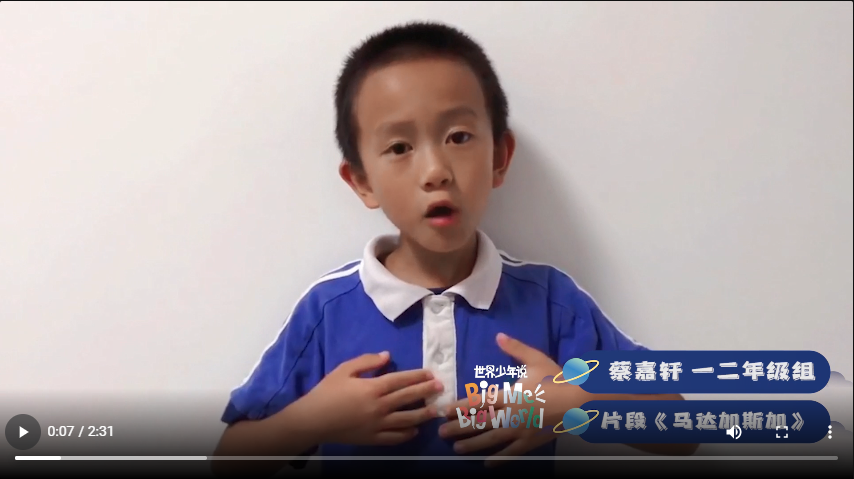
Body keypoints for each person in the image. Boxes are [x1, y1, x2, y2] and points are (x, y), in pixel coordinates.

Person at [212, 21, 695, 477]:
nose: (435, 171)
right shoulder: (327, 311)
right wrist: (312, 421)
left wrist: (572, 405)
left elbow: (680, 429)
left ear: (499, 157)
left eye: (458, 137)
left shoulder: (552, 303)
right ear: (361, 181)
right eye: (399, 147)